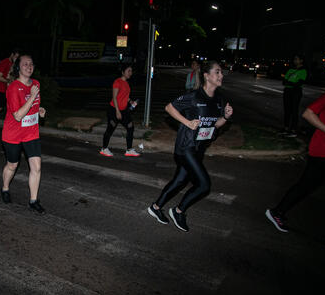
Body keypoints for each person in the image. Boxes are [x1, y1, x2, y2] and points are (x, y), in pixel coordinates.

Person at [147, 60, 233, 232]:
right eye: (217, 72)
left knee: (179, 181)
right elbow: (169, 107)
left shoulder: (219, 99)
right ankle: (178, 211)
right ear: (207, 76)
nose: (221, 75)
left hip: (199, 149)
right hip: (185, 147)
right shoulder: (194, 96)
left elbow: (215, 124)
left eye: (221, 72)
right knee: (204, 185)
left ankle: (155, 208)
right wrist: (187, 122)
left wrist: (225, 117)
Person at [265, 91, 325, 234]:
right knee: (306, 185)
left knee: (306, 185)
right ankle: (277, 212)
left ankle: (278, 212)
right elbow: (308, 114)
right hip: (323, 151)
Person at [1, 54, 47, 214]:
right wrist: (33, 95)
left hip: (31, 133)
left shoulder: (36, 84)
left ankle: (33, 200)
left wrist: (39, 111)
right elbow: (18, 115)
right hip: (13, 134)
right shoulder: (13, 88)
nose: (29, 66)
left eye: (31, 64)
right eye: (25, 64)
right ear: (18, 68)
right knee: (12, 165)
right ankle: (5, 188)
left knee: (37, 166)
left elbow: (32, 106)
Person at [99, 63, 140, 157]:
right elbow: (114, 97)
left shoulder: (127, 83)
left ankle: (129, 150)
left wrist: (131, 101)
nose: (130, 73)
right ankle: (104, 148)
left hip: (124, 110)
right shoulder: (117, 82)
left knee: (130, 127)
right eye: (128, 71)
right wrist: (117, 111)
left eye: (131, 71)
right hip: (114, 109)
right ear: (123, 72)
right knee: (110, 128)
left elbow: (125, 96)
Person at [281, 54, 307, 137]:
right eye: (294, 59)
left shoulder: (303, 71)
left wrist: (290, 83)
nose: (295, 61)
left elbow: (299, 83)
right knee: (287, 110)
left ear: (301, 60)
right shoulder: (290, 70)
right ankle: (286, 128)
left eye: (297, 59)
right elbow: (284, 82)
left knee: (294, 110)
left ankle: (293, 129)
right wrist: (291, 83)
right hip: (287, 91)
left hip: (296, 92)